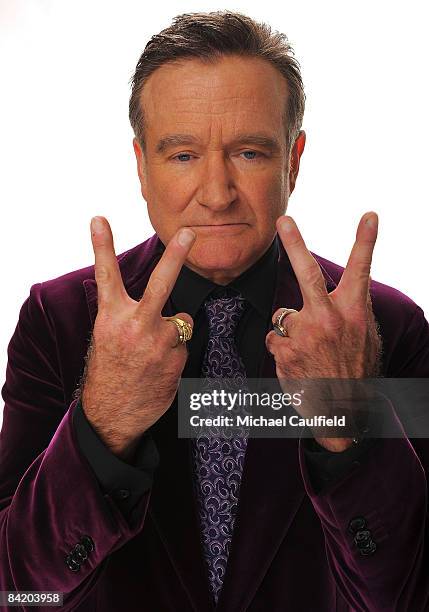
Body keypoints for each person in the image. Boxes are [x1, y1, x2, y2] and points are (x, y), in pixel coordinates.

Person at [1, 10, 428, 612]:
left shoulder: (389, 328)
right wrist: (105, 424)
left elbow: (406, 596)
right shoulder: (59, 320)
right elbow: (18, 593)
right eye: (181, 156)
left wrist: (346, 417)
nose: (218, 192)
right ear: (141, 164)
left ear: (294, 160)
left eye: (250, 153)